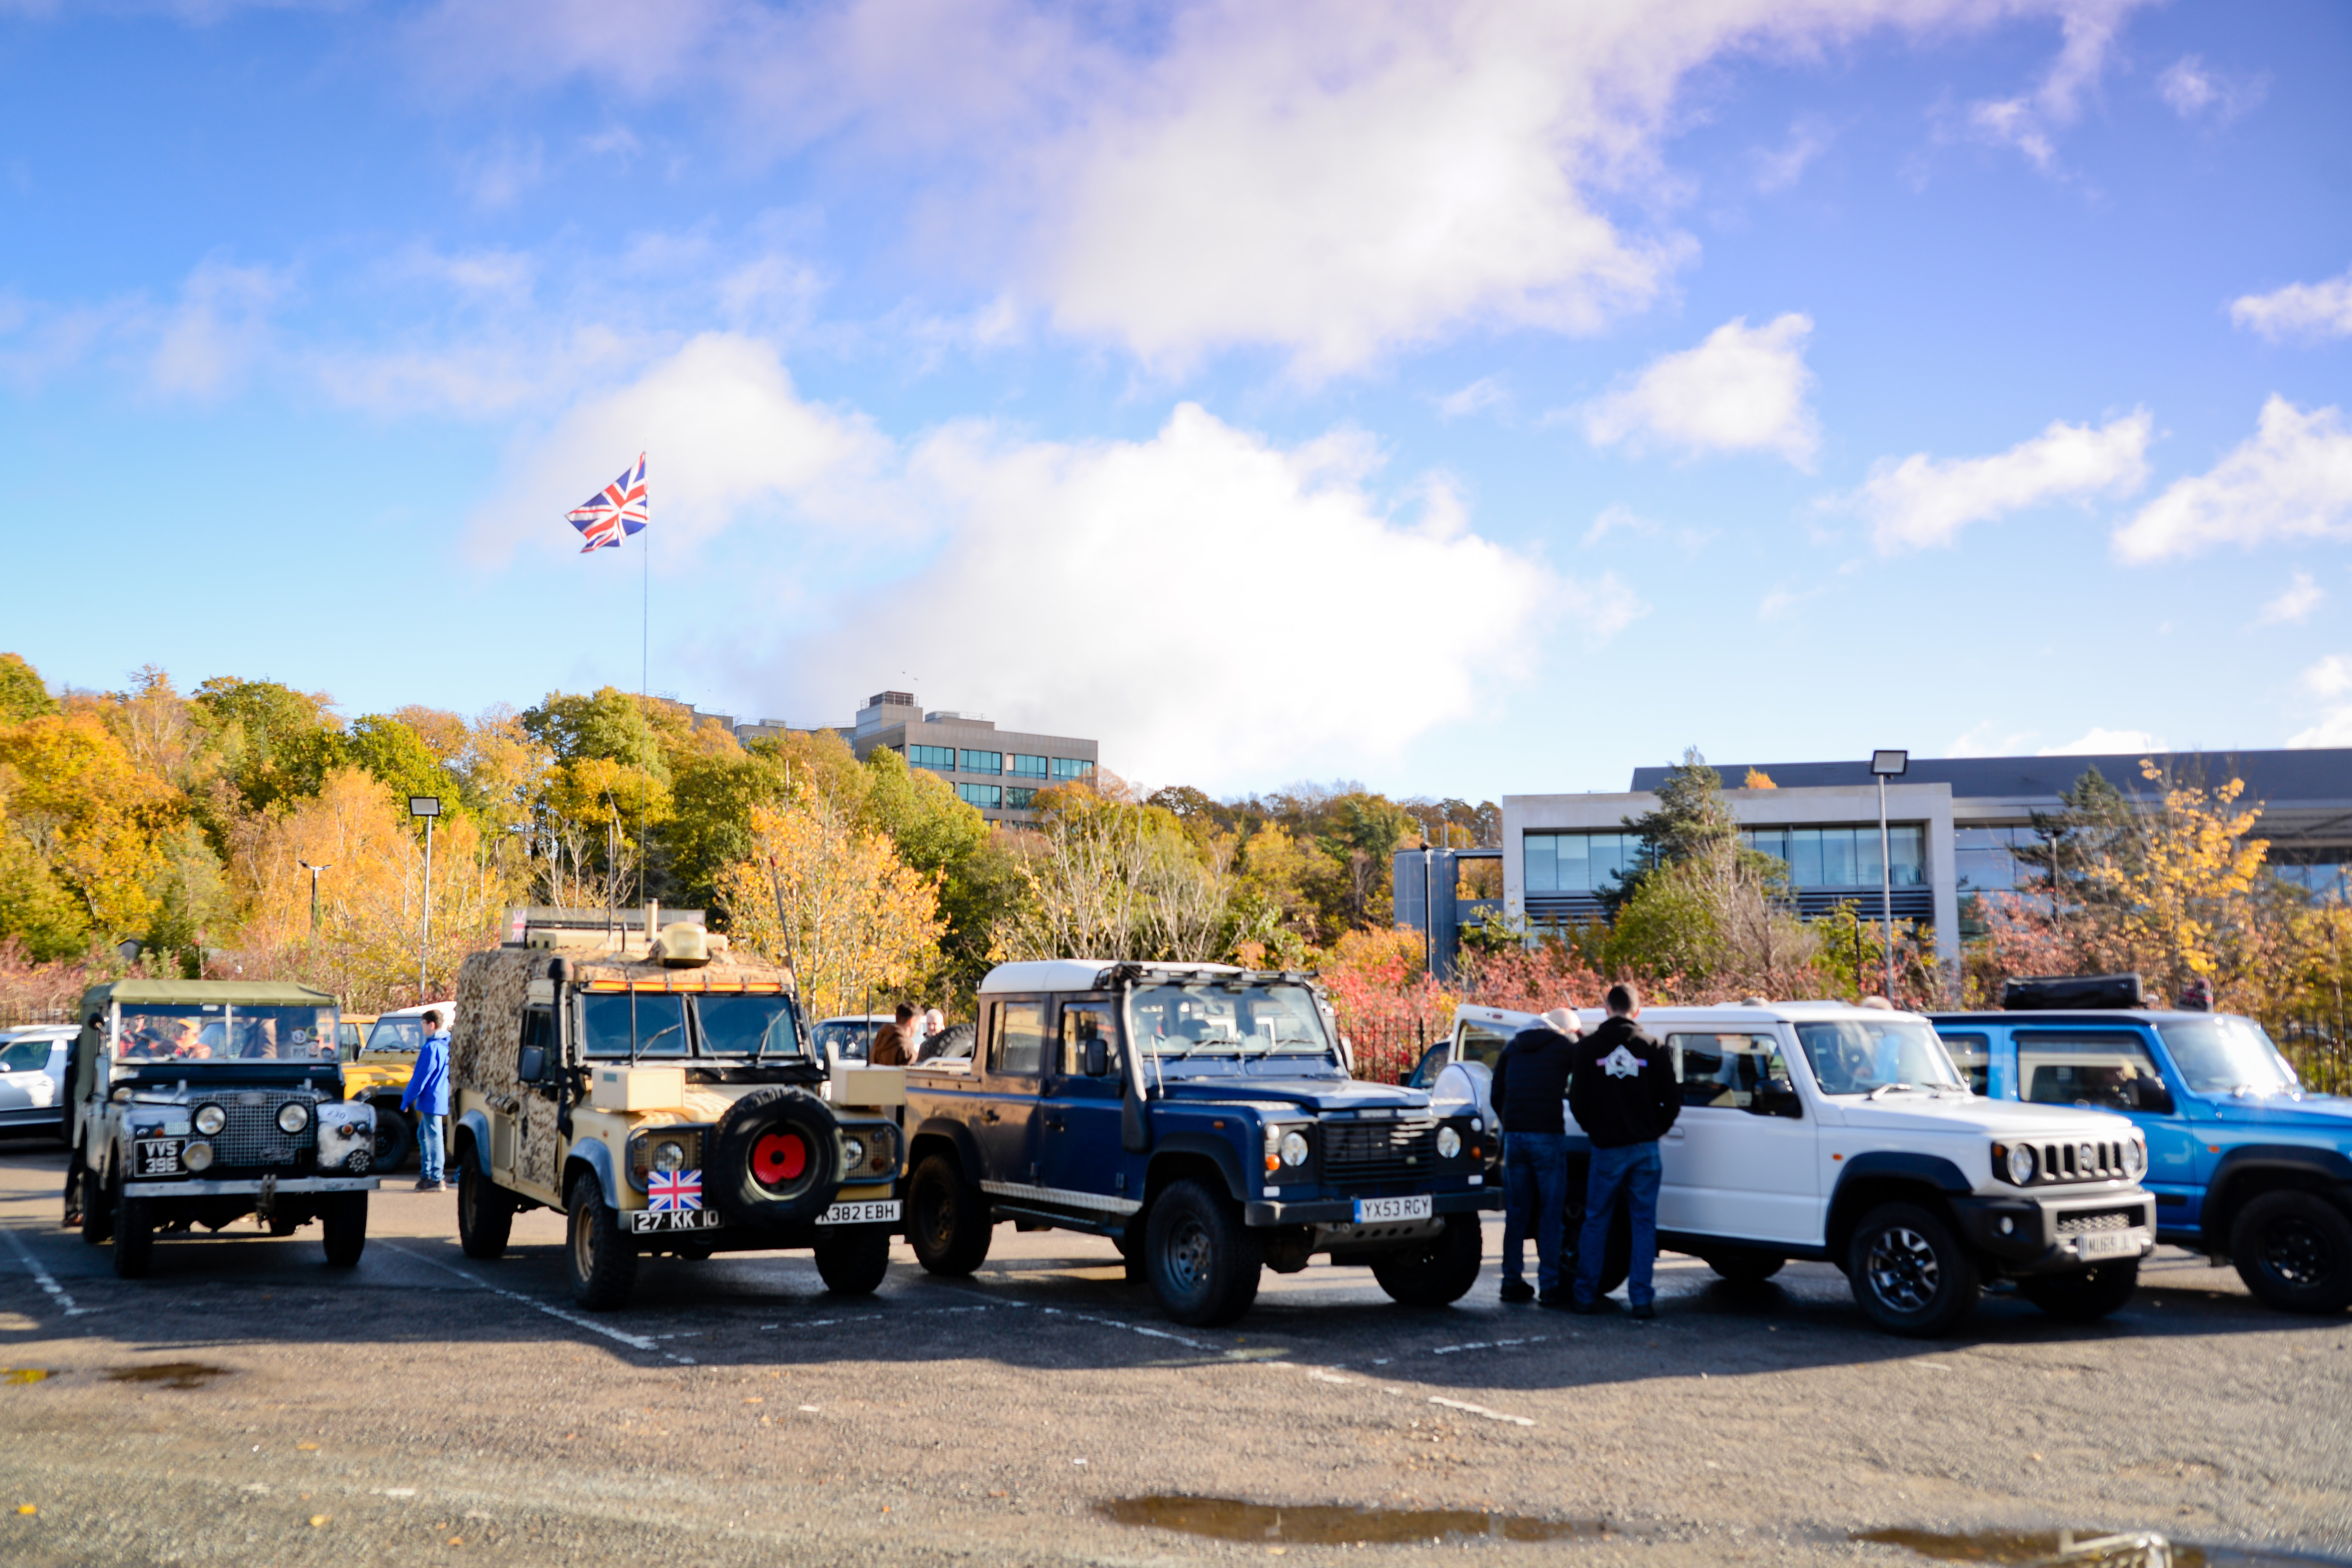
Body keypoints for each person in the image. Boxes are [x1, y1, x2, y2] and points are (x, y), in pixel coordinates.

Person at [1567, 982, 1678, 1319]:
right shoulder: (1653, 1046)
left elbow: (1577, 1100)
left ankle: (1585, 1294)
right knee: (1644, 1223)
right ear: (1637, 1011)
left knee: (1596, 1219)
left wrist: (1596, 1130)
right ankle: (1641, 1300)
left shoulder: (1588, 1048)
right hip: (1646, 1148)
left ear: (1606, 1009)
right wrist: (1654, 1129)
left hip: (1607, 1147)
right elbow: (1672, 1100)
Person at [1489, 1006, 1582, 1306]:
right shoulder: (1564, 1046)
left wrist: (1510, 1122)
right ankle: (1550, 1285)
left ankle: (1511, 1281)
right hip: (1547, 1134)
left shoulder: (1513, 1046)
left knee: (1517, 1213)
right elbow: (1584, 1075)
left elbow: (1496, 1092)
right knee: (1551, 1212)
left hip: (1514, 1137)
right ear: (1566, 1030)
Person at [401, 1009, 452, 1193]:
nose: (421, 1028)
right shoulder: (445, 1045)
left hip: (431, 1099)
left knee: (432, 1138)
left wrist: (407, 1100)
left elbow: (420, 1078)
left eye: (422, 1024)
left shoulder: (431, 1048)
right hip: (437, 1097)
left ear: (431, 1024)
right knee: (425, 1135)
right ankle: (428, 1174)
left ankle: (436, 1178)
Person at [868, 1003, 919, 1067]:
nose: (918, 1028)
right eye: (919, 1023)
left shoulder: (879, 1041)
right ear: (912, 1022)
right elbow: (911, 1075)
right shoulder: (906, 1049)